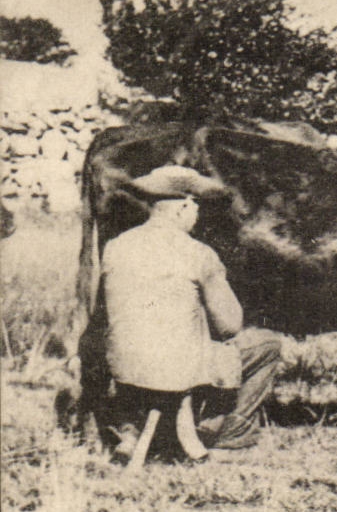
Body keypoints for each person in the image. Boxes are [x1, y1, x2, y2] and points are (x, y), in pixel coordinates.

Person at [101, 165, 282, 456]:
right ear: (183, 207)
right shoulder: (199, 253)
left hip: (126, 367)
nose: (197, 214)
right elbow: (229, 325)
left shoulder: (115, 246)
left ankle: (132, 426)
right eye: (195, 206)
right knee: (267, 344)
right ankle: (229, 435)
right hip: (177, 369)